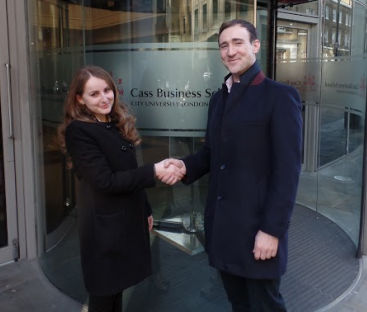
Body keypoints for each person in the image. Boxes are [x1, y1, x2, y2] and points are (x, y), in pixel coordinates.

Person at [162, 19, 303, 311]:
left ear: (255, 45)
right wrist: (185, 165)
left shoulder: (280, 96)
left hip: (258, 230)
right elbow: (213, 154)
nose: (230, 51)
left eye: (238, 42)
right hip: (224, 228)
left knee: (265, 306)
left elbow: (287, 172)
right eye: (224, 45)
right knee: (238, 303)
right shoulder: (218, 99)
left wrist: (272, 230)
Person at [58, 65, 182, 312]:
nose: (104, 98)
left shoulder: (112, 122)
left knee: (117, 290)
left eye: (107, 90)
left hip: (125, 218)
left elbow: (129, 169)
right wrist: (155, 171)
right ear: (79, 99)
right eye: (94, 94)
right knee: (104, 295)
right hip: (104, 228)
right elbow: (106, 182)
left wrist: (145, 208)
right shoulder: (78, 131)